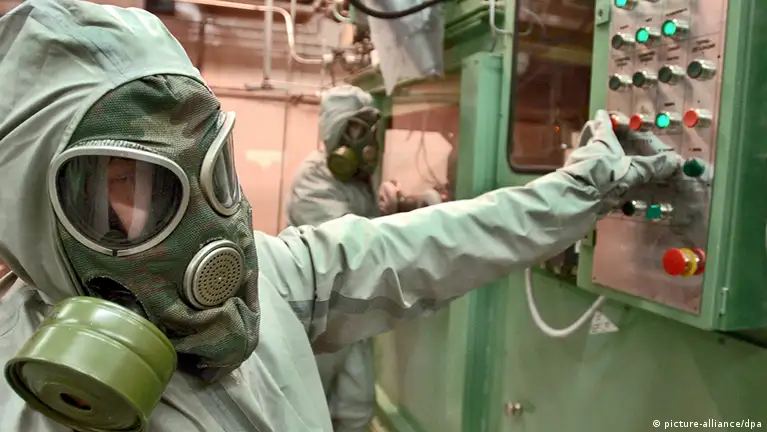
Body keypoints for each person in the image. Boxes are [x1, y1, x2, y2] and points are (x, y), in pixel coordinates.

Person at [0, 1, 680, 431]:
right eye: (128, 184)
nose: (202, 226)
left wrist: (581, 188)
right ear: (33, 220)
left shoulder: (270, 280)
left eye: (211, 168)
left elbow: (442, 244)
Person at [285, 85, 445, 431]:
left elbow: (369, 226)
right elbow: (350, 244)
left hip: (352, 310)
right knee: (307, 409)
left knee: (356, 406)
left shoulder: (359, 181)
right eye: (354, 130)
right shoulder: (313, 179)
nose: (365, 142)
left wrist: (399, 205)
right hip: (317, 314)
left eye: (369, 130)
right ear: (334, 131)